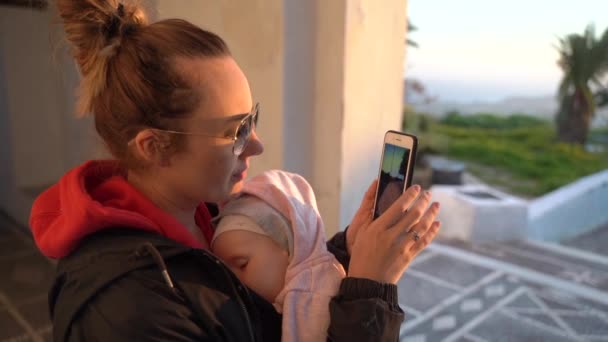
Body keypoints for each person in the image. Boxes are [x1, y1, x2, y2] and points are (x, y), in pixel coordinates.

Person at [29, 1, 442, 341]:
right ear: (155, 147)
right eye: (237, 131)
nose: (258, 144)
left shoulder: (203, 213)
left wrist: (349, 254)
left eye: (253, 118)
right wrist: (370, 292)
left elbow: (267, 308)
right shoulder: (129, 311)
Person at [211, 170, 346, 342]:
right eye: (224, 270)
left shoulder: (314, 297)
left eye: (242, 264)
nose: (231, 281)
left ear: (290, 249)